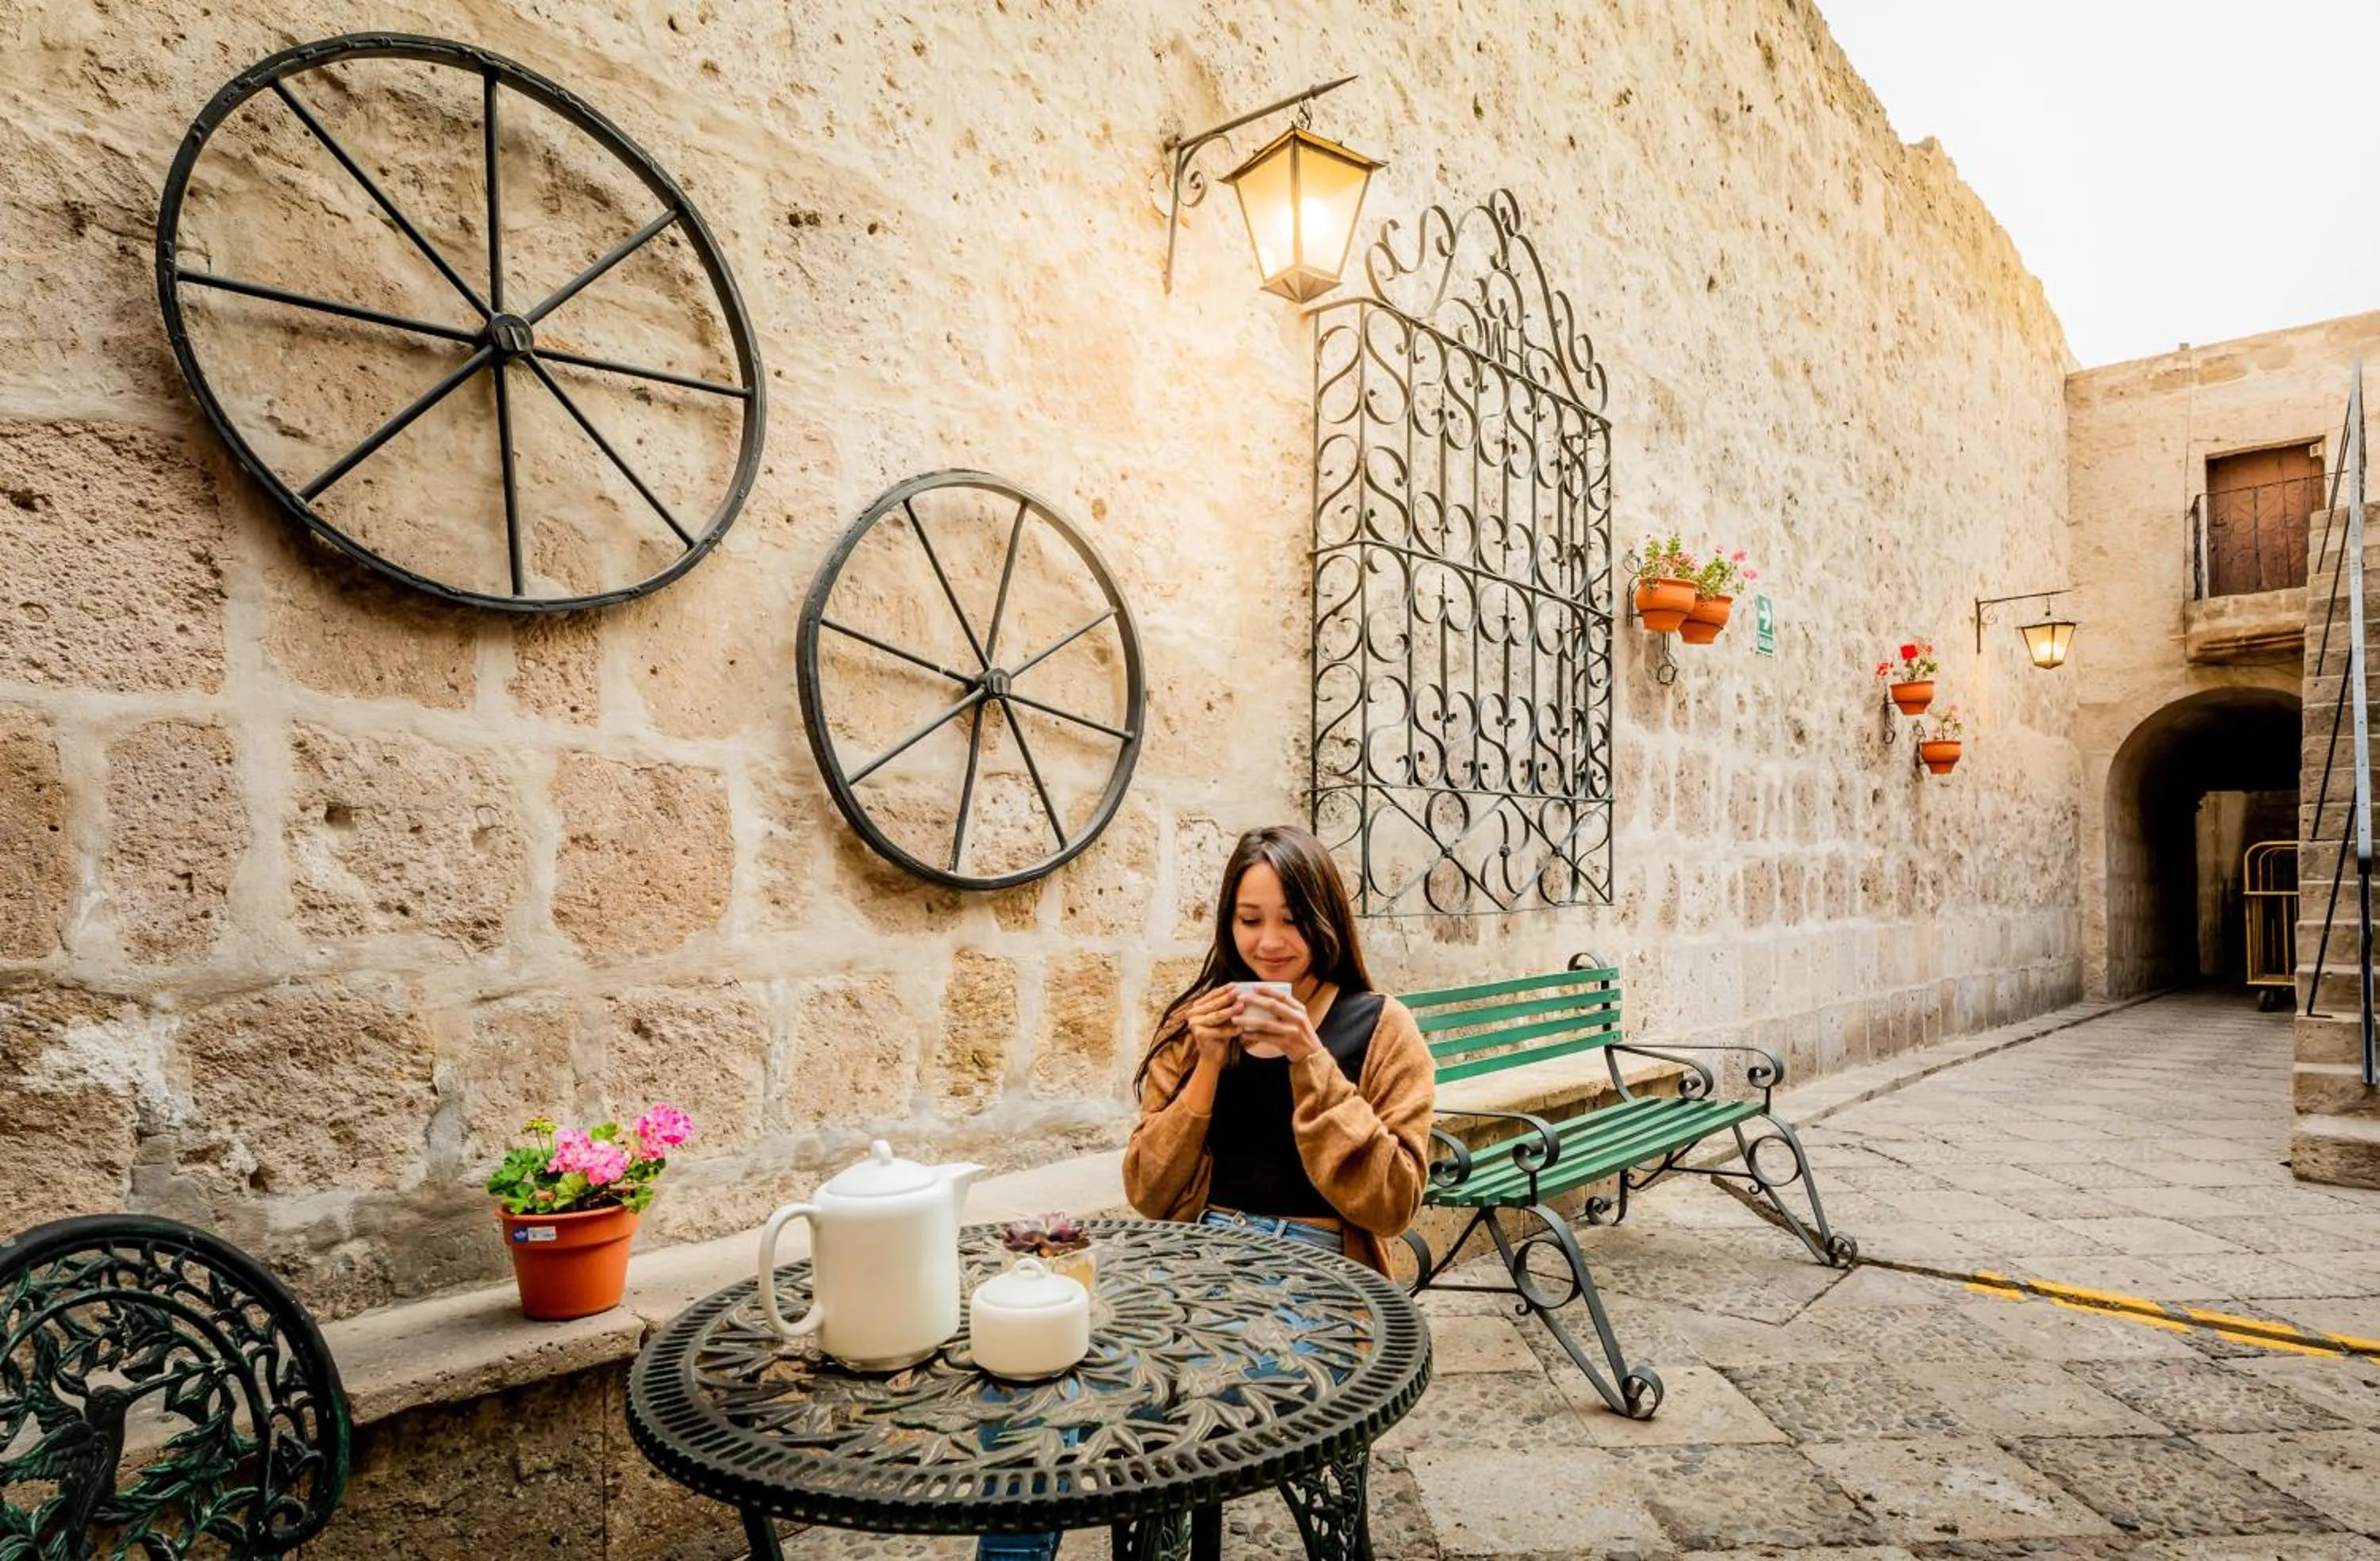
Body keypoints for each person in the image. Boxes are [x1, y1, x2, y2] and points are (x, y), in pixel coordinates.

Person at [977, 825, 1436, 1561]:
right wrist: (1209, 1066)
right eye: (1250, 919)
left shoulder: (1381, 1027)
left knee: (1165, 1397)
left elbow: (1394, 1203)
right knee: (1030, 1385)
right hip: (1196, 1259)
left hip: (1321, 1277)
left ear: (1326, 921)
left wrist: (1310, 1059)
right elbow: (1149, 1194)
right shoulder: (1195, 1024)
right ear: (1228, 921)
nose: (1270, 942)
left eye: (1292, 920)